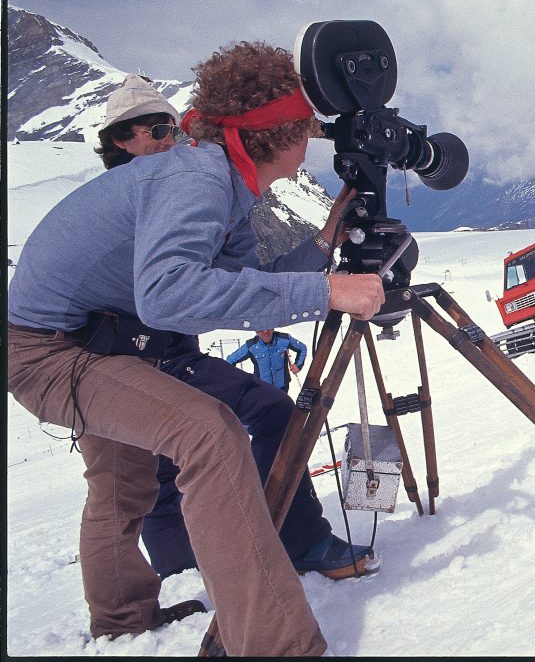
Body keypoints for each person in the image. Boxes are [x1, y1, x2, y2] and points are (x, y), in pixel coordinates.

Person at [7, 40, 387, 656]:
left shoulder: (227, 186)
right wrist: (324, 290)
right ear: (282, 137)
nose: (311, 146)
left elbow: (232, 289)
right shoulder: (199, 177)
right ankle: (276, 646)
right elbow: (168, 294)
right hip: (50, 350)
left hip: (98, 338)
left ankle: (122, 618)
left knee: (124, 481)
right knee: (209, 434)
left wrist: (321, 247)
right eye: (308, 133)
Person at [95, 76, 373, 585]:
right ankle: (191, 579)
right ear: (120, 140)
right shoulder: (134, 199)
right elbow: (171, 291)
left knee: (247, 422)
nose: (167, 141)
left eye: (172, 130)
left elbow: (244, 281)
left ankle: (286, 540)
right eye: (156, 131)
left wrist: (325, 237)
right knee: (154, 477)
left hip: (169, 353)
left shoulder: (180, 189)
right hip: (123, 359)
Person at [226, 329, 307, 392]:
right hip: (262, 389)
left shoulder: (284, 339)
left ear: (273, 328)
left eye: (268, 328)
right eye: (261, 330)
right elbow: (230, 360)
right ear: (256, 332)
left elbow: (302, 348)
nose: (265, 332)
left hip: (282, 387)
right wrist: (235, 380)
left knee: (282, 410)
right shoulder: (251, 346)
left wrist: (298, 365)